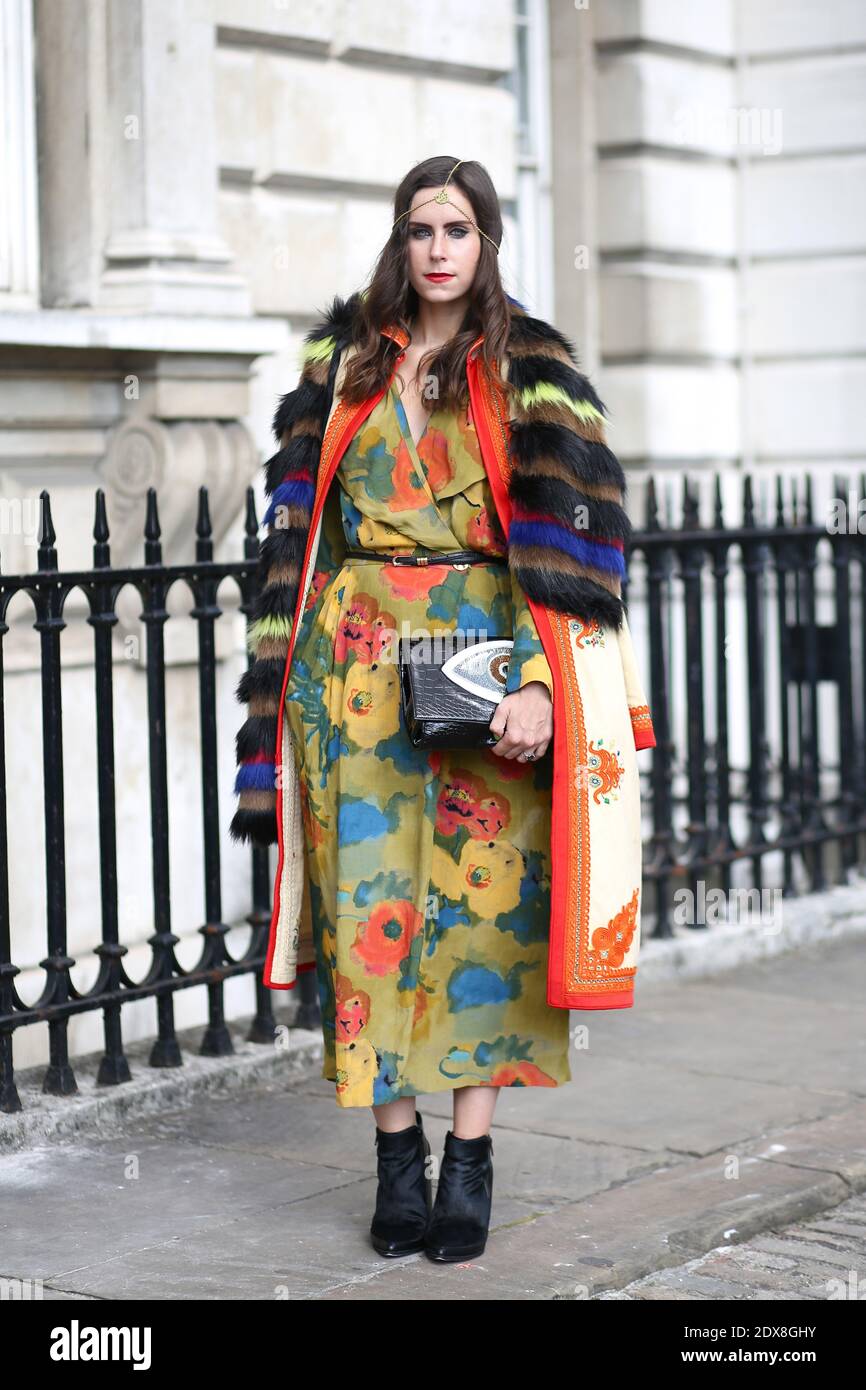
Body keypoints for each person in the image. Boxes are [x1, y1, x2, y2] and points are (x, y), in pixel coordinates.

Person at [231, 156, 651, 1263]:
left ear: (485, 241)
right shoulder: (340, 365)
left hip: (481, 662)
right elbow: (292, 540)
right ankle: (394, 1157)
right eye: (418, 228)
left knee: (482, 919)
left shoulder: (532, 369)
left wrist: (538, 681)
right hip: (352, 673)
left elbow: (581, 544)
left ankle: (467, 1163)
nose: (434, 249)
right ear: (398, 239)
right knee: (363, 918)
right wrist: (283, 693)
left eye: (455, 228)